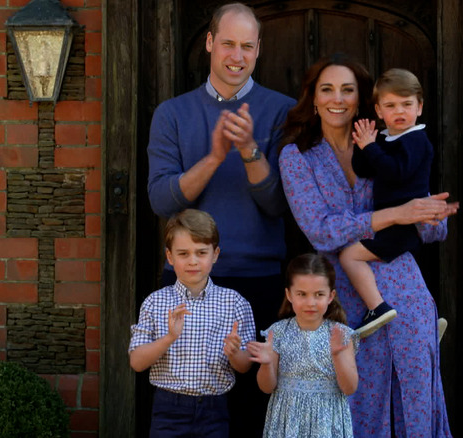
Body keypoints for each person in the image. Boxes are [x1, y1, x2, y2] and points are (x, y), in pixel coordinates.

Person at [278, 53, 458, 437]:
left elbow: (429, 228)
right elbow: (321, 231)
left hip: (406, 291)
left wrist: (430, 215)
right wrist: (396, 215)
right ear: (314, 98)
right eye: (327, 90)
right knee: (354, 405)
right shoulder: (297, 158)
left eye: (347, 90)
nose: (337, 99)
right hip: (344, 298)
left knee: (414, 398)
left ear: (360, 100)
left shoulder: (390, 145)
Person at [146, 3, 296, 436]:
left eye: (247, 46)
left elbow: (279, 205)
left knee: (252, 410)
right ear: (210, 43)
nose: (237, 54)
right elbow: (161, 199)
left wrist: (249, 150)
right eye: (228, 43)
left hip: (259, 281)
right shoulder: (172, 114)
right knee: (189, 406)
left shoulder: (281, 111)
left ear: (258, 50)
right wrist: (214, 157)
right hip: (188, 282)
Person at [128, 209, 256, 438]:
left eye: (201, 252)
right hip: (168, 409)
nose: (193, 261)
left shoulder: (235, 303)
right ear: (170, 257)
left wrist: (235, 353)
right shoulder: (155, 302)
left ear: (215, 254)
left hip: (214, 410)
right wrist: (168, 338)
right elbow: (137, 362)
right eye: (183, 253)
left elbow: (245, 366)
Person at [340, 68, 433, 338]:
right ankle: (421, 323)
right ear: (379, 111)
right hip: (390, 222)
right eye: (391, 106)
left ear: (420, 107)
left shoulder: (416, 140)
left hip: (402, 226)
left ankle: (377, 308)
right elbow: (365, 169)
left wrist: (371, 147)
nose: (400, 111)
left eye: (407, 104)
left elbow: (395, 172)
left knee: (349, 255)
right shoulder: (387, 138)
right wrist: (362, 144)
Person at [247, 253, 357, 438]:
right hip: (287, 419)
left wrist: (337, 356)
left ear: (331, 296)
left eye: (319, 294)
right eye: (302, 294)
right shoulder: (278, 332)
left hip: (327, 421)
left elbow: (350, 388)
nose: (310, 302)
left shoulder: (341, 334)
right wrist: (266, 364)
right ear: (289, 294)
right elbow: (266, 387)